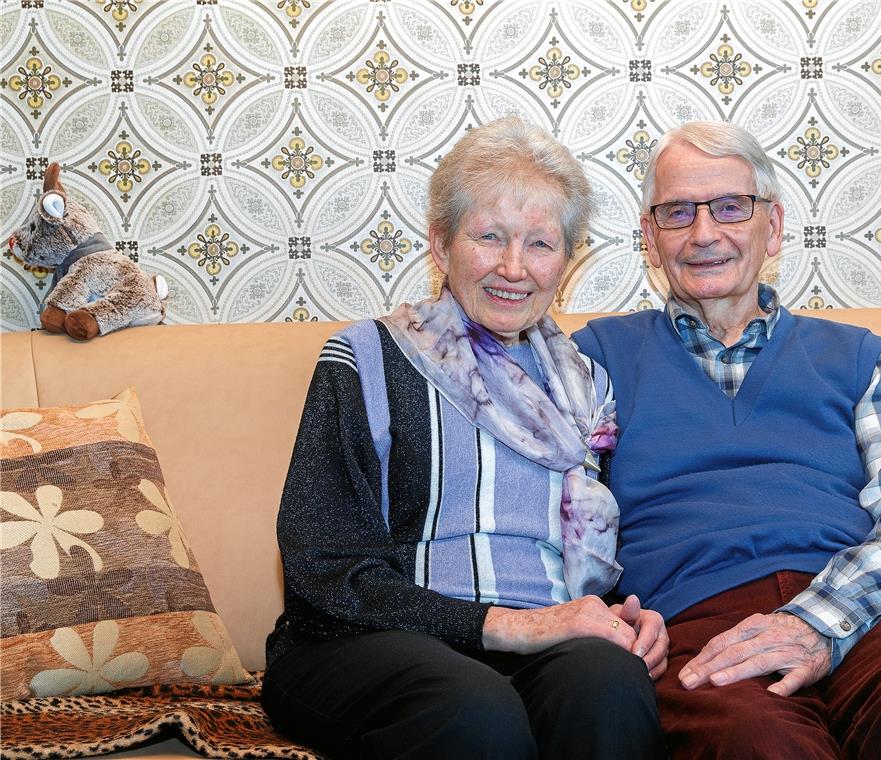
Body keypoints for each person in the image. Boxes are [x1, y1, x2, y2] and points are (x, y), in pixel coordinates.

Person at [572, 121, 881, 759]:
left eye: (730, 207)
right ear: (649, 237)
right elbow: (564, 509)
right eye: (676, 213)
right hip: (699, 624)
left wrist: (815, 620)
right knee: (755, 740)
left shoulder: (856, 357)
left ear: (772, 227)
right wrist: (600, 610)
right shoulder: (597, 361)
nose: (704, 234)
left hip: (868, 610)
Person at [262, 116, 669, 760]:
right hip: (368, 640)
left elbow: (591, 550)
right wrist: (511, 628)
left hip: (544, 640)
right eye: (489, 237)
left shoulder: (587, 384)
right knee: (476, 710)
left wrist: (623, 614)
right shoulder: (366, 356)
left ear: (567, 260)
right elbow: (324, 566)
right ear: (441, 244)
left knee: (611, 687)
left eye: (540, 244)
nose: (514, 267)